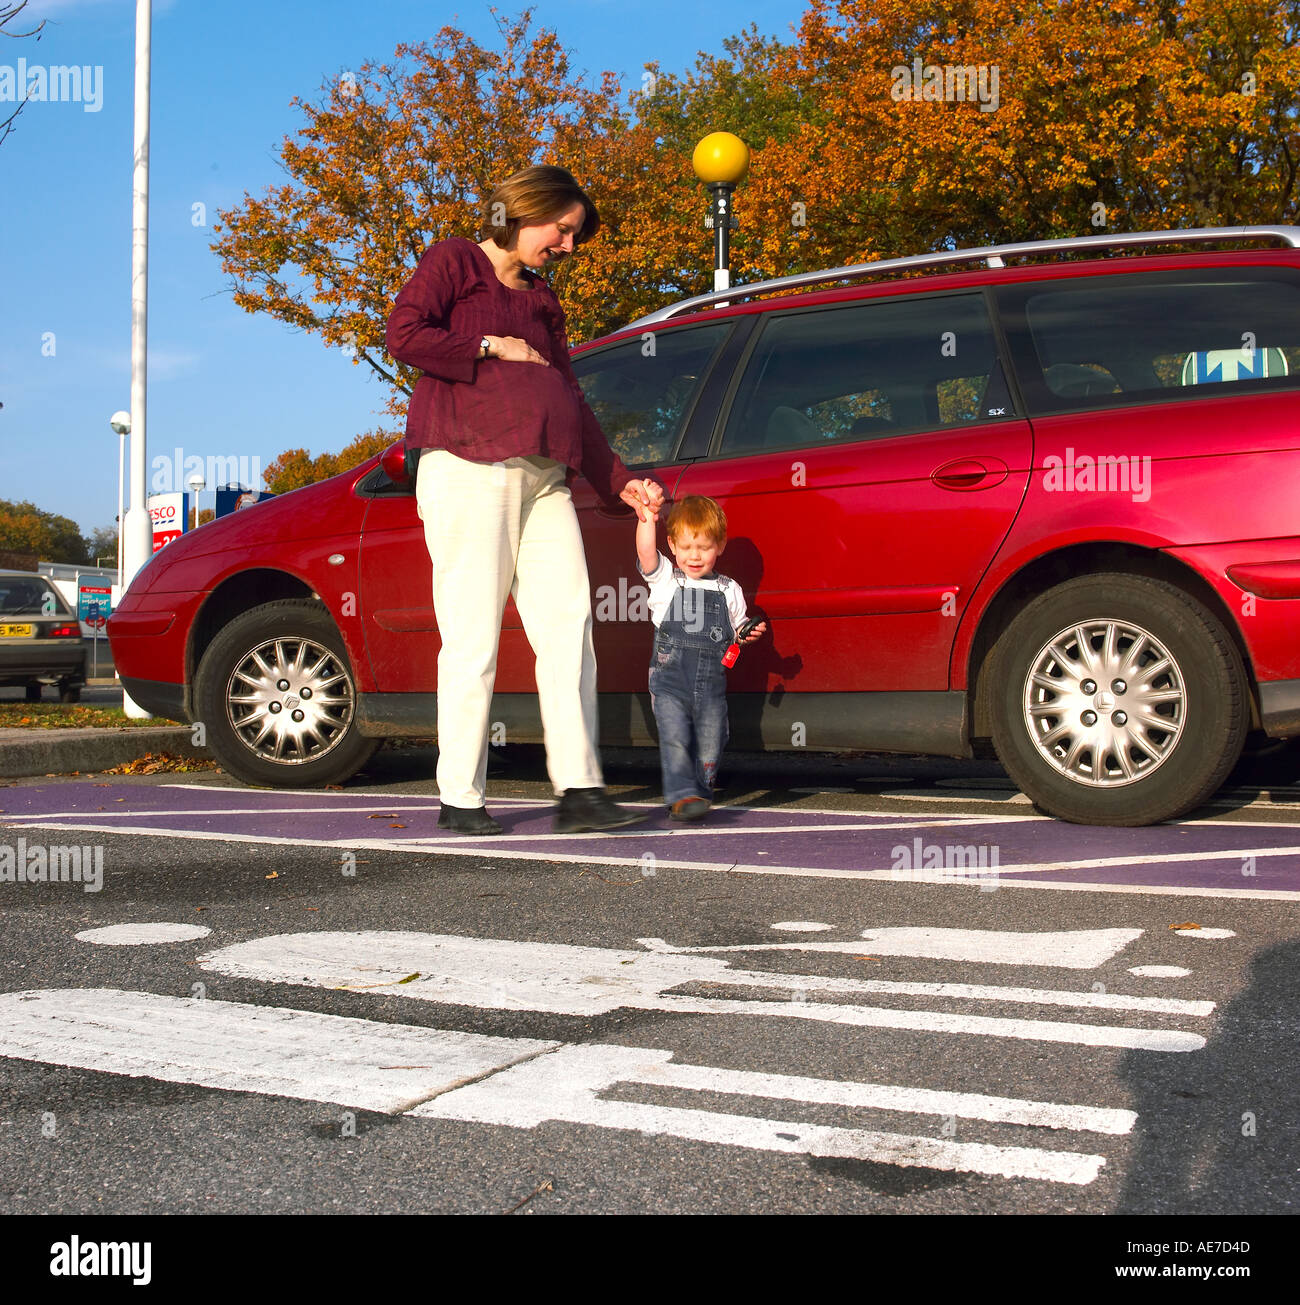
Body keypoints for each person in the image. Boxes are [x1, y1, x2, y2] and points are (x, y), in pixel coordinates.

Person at [385, 165, 663, 835]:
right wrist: (487, 344)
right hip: (467, 463)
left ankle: (579, 788)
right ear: (525, 211)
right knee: (473, 635)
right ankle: (460, 795)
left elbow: (570, 394)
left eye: (574, 237)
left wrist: (616, 475)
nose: (567, 247)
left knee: (571, 629)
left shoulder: (542, 300)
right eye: (562, 230)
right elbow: (405, 333)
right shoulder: (457, 261)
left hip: (546, 476)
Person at [635, 495, 766, 819]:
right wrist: (647, 518)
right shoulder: (666, 578)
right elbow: (646, 552)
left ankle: (699, 791)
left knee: (713, 738)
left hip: (711, 683)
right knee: (675, 735)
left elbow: (735, 630)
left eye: (704, 548)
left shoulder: (728, 589)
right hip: (670, 679)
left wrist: (746, 633)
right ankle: (682, 796)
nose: (695, 556)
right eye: (687, 547)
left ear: (719, 546)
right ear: (673, 545)